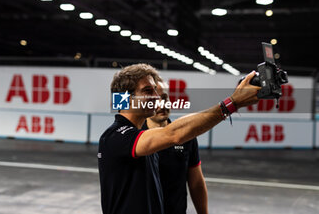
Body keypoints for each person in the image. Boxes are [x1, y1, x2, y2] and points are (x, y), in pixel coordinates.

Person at [98, 63, 260, 214]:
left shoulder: (139, 136)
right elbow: (174, 134)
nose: (156, 97)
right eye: (148, 91)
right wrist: (232, 103)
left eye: (156, 90)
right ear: (125, 98)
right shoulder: (115, 137)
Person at [142, 80, 208, 214]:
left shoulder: (186, 137)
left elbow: (196, 183)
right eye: (155, 100)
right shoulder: (135, 137)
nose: (162, 105)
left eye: (165, 98)